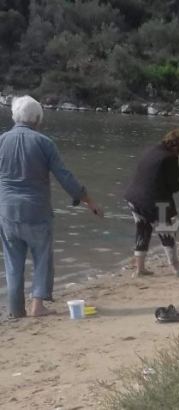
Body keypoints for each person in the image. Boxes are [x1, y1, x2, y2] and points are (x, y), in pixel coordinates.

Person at [0, 96, 102, 318]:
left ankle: (16, 310)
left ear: (15, 116)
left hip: (7, 212)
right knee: (42, 257)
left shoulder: (2, 140)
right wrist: (88, 201)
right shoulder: (44, 143)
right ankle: (38, 306)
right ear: (37, 118)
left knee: (13, 263)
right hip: (36, 211)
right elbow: (65, 177)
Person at [124, 129, 179, 278]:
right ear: (178, 147)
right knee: (166, 232)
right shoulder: (170, 158)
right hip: (153, 200)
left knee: (143, 230)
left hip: (134, 198)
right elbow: (174, 186)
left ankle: (140, 269)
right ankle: (177, 268)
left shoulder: (151, 149)